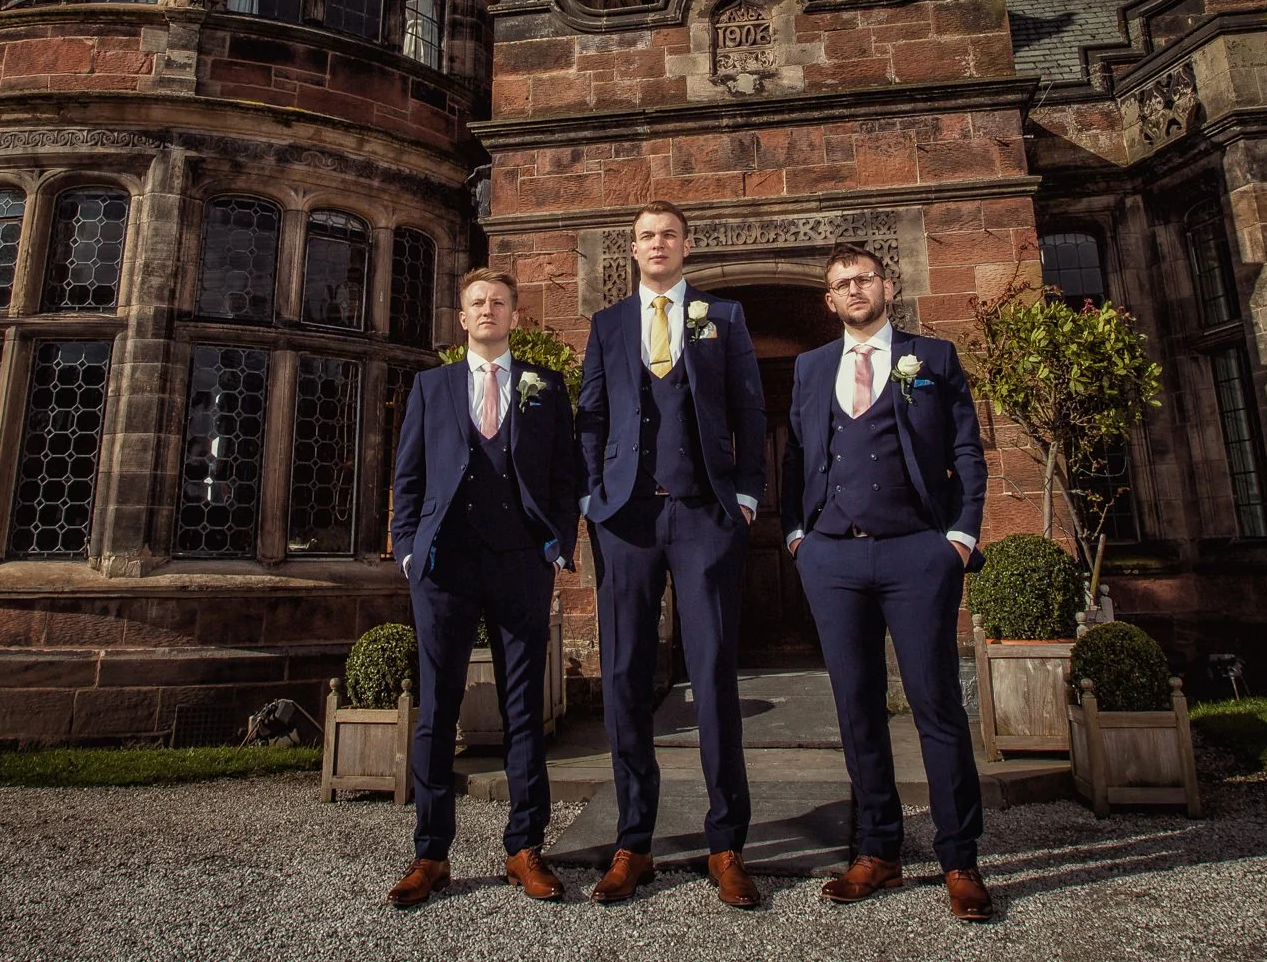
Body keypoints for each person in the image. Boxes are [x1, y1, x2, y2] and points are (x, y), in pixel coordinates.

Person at [781, 244, 994, 923]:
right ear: (829, 299)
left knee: (935, 705)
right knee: (857, 707)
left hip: (916, 554)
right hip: (833, 557)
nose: (853, 290)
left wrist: (958, 539)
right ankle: (878, 849)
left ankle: (960, 858)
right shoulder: (811, 368)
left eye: (863, 279)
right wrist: (796, 536)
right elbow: (796, 454)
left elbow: (967, 449)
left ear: (887, 286)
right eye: (841, 283)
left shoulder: (931, 359)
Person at [575, 200, 767, 907]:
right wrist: (592, 496)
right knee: (624, 674)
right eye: (646, 236)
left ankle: (727, 844)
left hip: (704, 514)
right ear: (633, 249)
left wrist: (746, 495)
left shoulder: (726, 318)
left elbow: (749, 410)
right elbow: (590, 415)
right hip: (624, 519)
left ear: (687, 246)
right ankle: (635, 842)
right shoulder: (608, 324)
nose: (657, 244)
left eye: (668, 235)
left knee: (714, 674)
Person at [386, 268, 579, 908]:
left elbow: (562, 476)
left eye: (499, 302)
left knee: (523, 709)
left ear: (514, 316)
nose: (488, 310)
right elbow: (407, 476)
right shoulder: (430, 387)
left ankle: (525, 846)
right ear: (462, 318)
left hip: (520, 562)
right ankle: (431, 852)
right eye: (477, 303)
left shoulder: (545, 387)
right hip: (442, 566)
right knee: (437, 710)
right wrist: (409, 550)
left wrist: (554, 546)